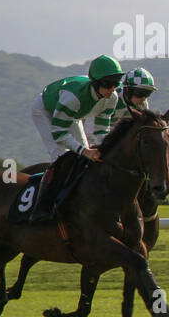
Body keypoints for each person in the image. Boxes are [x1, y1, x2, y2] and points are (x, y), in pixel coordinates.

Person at [28, 54, 125, 221]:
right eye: (108, 84)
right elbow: (59, 134)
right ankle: (42, 208)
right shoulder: (72, 98)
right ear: (95, 83)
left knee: (86, 160)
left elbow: (101, 130)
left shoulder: (112, 98)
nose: (112, 89)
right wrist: (84, 151)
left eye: (116, 84)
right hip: (45, 110)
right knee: (62, 158)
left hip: (72, 116)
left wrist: (102, 150)